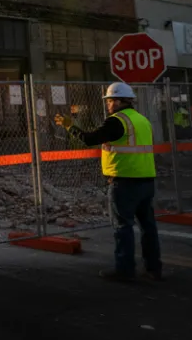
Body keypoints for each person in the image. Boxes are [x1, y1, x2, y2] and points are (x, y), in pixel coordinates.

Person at [54, 82, 162, 282]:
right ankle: (154, 268)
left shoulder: (117, 121)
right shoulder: (142, 120)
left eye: (110, 100)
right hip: (147, 180)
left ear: (120, 101)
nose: (108, 104)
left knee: (123, 227)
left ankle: (125, 270)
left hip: (125, 181)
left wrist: (70, 126)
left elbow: (89, 139)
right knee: (148, 227)